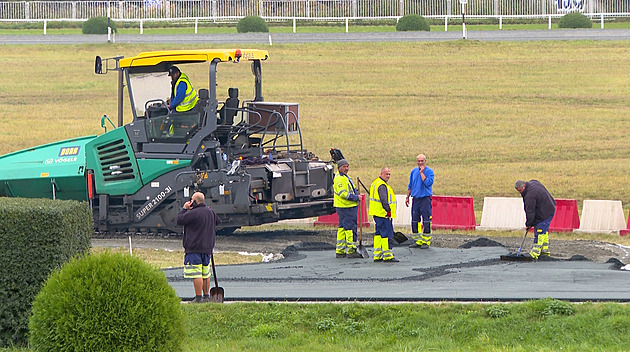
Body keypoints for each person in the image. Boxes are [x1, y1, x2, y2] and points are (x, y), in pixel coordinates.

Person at [176, 191, 221, 303]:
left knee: (196, 274)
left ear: (195, 202)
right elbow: (218, 222)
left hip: (194, 248)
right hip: (207, 248)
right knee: (206, 273)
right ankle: (206, 297)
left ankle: (198, 298)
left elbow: (179, 220)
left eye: (191, 200)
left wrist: (184, 208)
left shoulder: (192, 213)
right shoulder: (210, 212)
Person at [515, 180, 556, 259]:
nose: (519, 193)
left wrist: (529, 224)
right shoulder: (532, 183)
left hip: (545, 212)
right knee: (544, 232)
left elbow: (530, 211)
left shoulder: (530, 196)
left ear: (524, 186)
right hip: (549, 208)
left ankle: (535, 254)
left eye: (520, 190)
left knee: (539, 232)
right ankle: (545, 252)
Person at [368, 167, 399, 263]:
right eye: (386, 174)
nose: (388, 176)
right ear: (381, 174)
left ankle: (377, 255)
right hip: (383, 214)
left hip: (377, 213)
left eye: (389, 174)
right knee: (386, 234)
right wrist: (388, 210)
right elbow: (384, 199)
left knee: (378, 233)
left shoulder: (376, 182)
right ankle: (387, 255)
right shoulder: (381, 185)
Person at [333, 159, 362, 259]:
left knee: (342, 228)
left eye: (347, 166)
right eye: (344, 167)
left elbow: (350, 189)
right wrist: (356, 198)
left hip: (346, 206)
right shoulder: (339, 179)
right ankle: (351, 250)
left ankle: (340, 250)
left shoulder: (345, 177)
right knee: (350, 228)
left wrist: (356, 193)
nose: (347, 168)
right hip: (345, 207)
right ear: (339, 168)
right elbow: (343, 193)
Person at [405, 154, 435, 249]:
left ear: (425, 161)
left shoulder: (429, 172)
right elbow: (410, 185)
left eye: (422, 161)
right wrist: (407, 197)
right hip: (416, 199)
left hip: (425, 199)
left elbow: (428, 183)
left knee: (426, 220)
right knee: (415, 220)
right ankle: (418, 241)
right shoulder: (413, 171)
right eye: (419, 161)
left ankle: (426, 242)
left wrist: (422, 173)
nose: (420, 163)